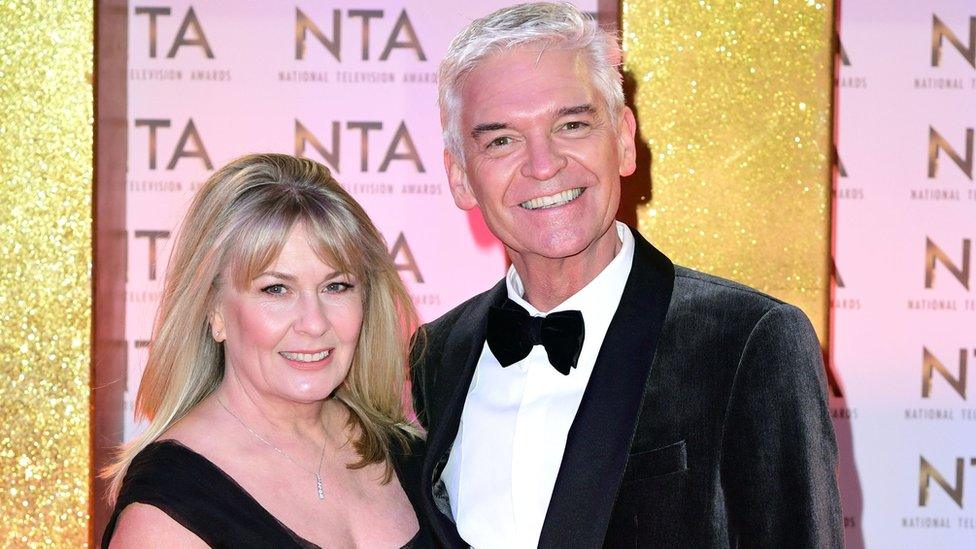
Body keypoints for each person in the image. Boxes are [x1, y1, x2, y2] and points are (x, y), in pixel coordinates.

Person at [409, 3, 843, 548]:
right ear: (460, 179)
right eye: (501, 140)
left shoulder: (747, 342)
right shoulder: (436, 357)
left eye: (572, 125)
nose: (543, 164)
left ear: (622, 138)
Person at [103, 154, 427, 547]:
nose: (314, 322)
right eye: (276, 289)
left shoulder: (407, 449)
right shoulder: (168, 508)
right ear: (214, 310)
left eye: (336, 286)